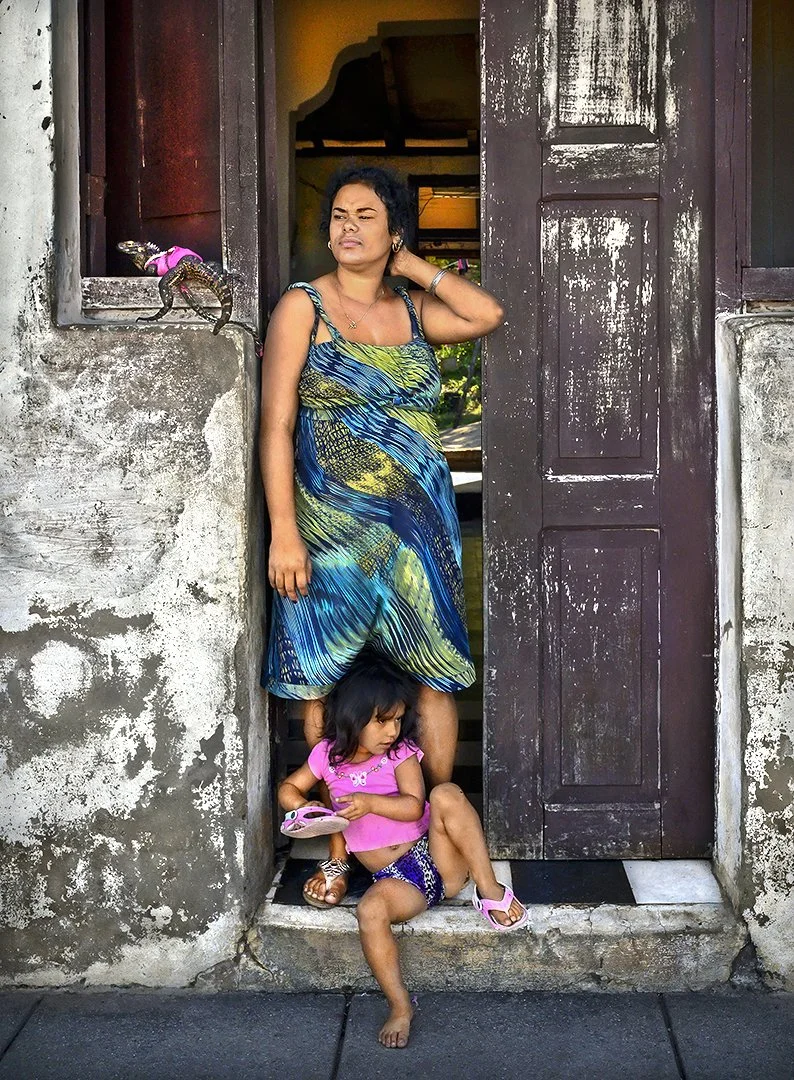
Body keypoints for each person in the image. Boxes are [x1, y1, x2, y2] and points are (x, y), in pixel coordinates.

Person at [260, 163, 505, 907]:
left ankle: (430, 825)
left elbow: (486, 313)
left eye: (366, 215)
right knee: (320, 676)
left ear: (394, 231)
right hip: (327, 527)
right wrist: (282, 531)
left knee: (434, 675)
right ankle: (337, 843)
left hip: (417, 531)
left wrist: (413, 267)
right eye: (338, 214)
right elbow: (275, 426)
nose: (347, 228)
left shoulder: (412, 313)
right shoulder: (303, 307)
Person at [278, 651, 528, 1050]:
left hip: (435, 858)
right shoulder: (326, 756)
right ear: (352, 718)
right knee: (369, 911)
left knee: (446, 793)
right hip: (396, 880)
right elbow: (288, 788)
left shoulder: (400, 754)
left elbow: (415, 804)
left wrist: (371, 803)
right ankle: (399, 1006)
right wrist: (304, 807)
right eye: (382, 720)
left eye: (396, 719)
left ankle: (490, 890)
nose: (392, 730)